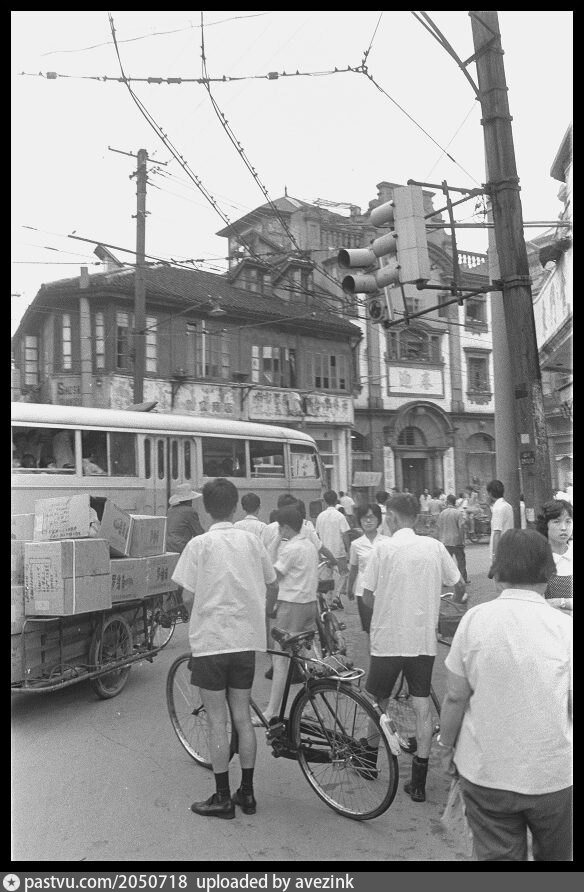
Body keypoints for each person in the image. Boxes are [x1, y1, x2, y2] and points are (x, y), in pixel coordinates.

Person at [437, 529, 572, 861]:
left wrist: (446, 747)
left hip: (486, 774)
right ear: (549, 573)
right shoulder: (564, 628)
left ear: (498, 573)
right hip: (553, 777)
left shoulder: (475, 620)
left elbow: (455, 696)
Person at [171, 478, 278, 820]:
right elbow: (272, 583)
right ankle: (247, 793)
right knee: (242, 718)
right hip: (246, 641)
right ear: (234, 507)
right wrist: (261, 615)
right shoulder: (252, 541)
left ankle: (221, 798)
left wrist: (200, 617)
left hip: (212, 643)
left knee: (218, 722)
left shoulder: (199, 545)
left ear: (205, 508)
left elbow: (187, 596)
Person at [362, 493, 464, 803]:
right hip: (422, 640)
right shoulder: (434, 547)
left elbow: (367, 596)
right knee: (422, 704)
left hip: (388, 638)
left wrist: (389, 605)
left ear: (391, 517)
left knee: (377, 701)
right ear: (417, 517)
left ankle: (368, 760)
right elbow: (458, 585)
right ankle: (418, 781)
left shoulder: (382, 549)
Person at [262, 505, 319, 723]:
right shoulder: (309, 546)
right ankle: (314, 707)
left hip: (290, 606)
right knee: (305, 658)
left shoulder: (291, 549)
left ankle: (271, 710)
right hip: (309, 604)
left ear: (285, 527)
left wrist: (276, 540)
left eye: (280, 528)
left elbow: (272, 574)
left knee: (280, 660)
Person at [347, 504, 384, 640]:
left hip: (383, 590)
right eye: (364, 518)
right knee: (369, 629)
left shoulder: (387, 542)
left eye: (371, 517)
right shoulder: (356, 544)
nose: (368, 521)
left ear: (378, 519)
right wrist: (349, 588)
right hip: (363, 591)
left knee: (383, 627)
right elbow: (354, 568)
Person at [535, 499, 573, 613]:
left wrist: (561, 602)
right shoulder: (536, 559)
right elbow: (534, 602)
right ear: (545, 525)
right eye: (557, 522)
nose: (564, 527)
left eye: (568, 521)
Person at [315, 490, 351, 603]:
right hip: (338, 551)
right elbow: (345, 534)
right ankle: (337, 596)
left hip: (325, 552)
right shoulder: (340, 516)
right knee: (344, 573)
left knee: (327, 577)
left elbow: (317, 536)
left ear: (325, 502)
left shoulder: (320, 516)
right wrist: (348, 549)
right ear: (336, 501)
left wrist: (319, 552)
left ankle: (328, 600)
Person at [436, 494, 470, 589]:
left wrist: (440, 539)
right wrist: (462, 540)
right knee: (461, 560)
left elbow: (438, 527)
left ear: (447, 502)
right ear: (455, 502)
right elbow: (461, 527)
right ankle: (463, 579)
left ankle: (446, 581)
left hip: (445, 541)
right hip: (456, 541)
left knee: (447, 562)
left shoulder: (442, 513)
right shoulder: (458, 513)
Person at [166, 483, 205, 554]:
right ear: (189, 500)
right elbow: (198, 533)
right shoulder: (189, 511)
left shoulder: (170, 510)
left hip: (167, 546)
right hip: (180, 547)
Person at [486, 479, 514, 569]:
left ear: (490, 493)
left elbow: (497, 533)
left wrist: (495, 555)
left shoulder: (498, 508)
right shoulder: (508, 506)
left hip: (500, 550)